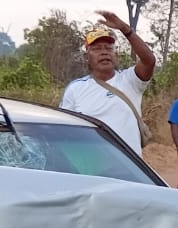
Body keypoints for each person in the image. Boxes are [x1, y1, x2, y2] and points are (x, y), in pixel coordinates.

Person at [59, 10, 157, 157]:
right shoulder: (75, 89)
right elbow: (66, 131)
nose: (104, 52)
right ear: (87, 57)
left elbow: (149, 61)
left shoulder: (130, 81)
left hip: (131, 167)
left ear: (115, 54)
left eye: (109, 48)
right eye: (97, 49)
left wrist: (126, 29)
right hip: (93, 168)